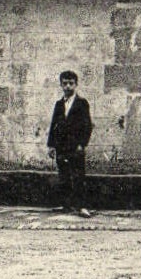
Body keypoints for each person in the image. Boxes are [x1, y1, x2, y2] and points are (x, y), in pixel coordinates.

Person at [47, 70, 92, 216]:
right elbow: (53, 124)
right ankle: (65, 205)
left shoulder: (82, 103)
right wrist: (51, 145)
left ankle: (82, 207)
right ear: (61, 85)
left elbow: (87, 125)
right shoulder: (59, 104)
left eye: (71, 83)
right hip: (61, 146)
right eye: (65, 83)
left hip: (76, 146)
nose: (68, 86)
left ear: (76, 84)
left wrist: (82, 144)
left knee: (78, 176)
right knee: (64, 176)